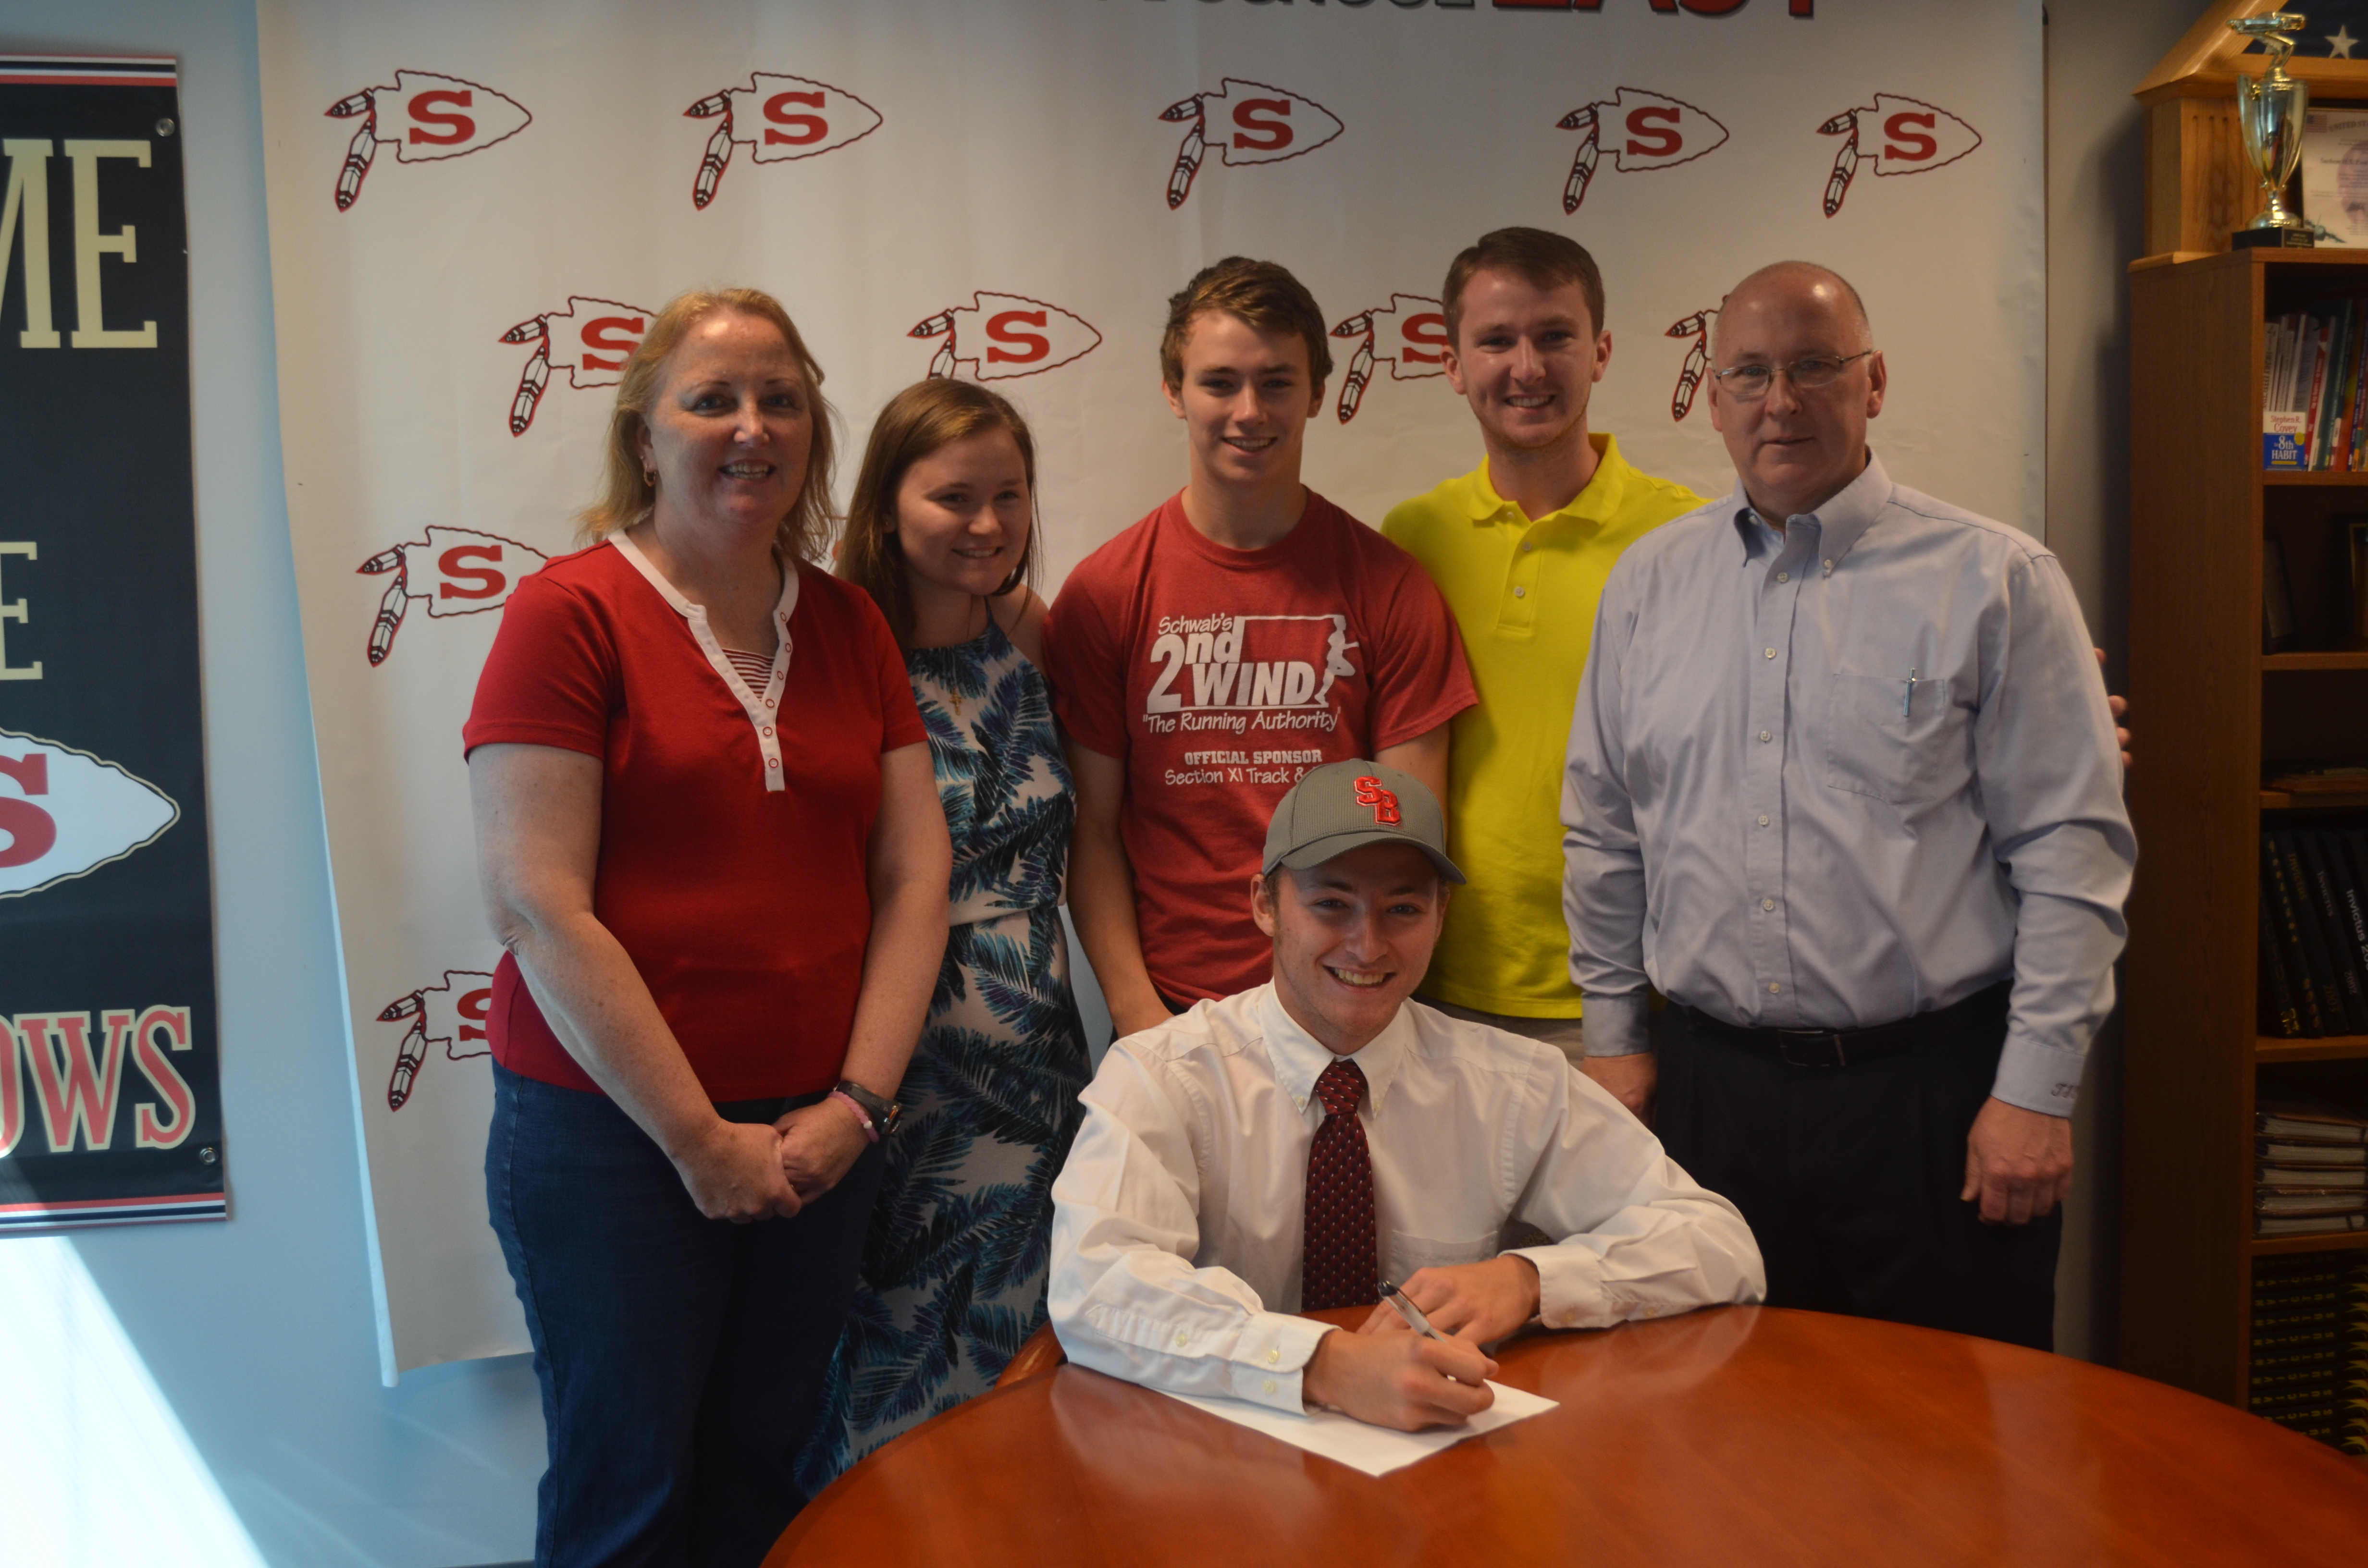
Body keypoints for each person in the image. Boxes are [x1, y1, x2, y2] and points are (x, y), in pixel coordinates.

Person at [1562, 261, 2137, 1350]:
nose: (1780, 401)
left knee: (1952, 1428)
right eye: (1749, 373)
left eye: (1815, 366)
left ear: (1874, 383)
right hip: (1709, 1097)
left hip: (1929, 1102)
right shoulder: (1647, 585)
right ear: (1713, 397)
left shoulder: (1996, 580)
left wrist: (2036, 1093)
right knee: (1719, 1416)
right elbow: (1604, 832)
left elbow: (2071, 855)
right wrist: (1614, 1040)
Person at [464, 288, 951, 1564]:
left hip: (819, 1137)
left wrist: (857, 1107)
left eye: (781, 400)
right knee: (628, 1495)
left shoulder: (848, 623)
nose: (752, 427)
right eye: (712, 399)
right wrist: (698, 1140)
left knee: (763, 1480)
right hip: (613, 1143)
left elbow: (915, 878)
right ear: (643, 435)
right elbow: (534, 902)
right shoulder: (568, 614)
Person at [1048, 761, 1763, 1432]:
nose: (1368, 946)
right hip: (1222, 1455)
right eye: (1332, 904)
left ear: (1442, 915)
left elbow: (1719, 1244)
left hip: (1441, 1455)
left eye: (1402, 909)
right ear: (1265, 904)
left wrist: (1530, 1280)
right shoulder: (1163, 1075)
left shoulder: (1514, 1083)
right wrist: (1323, 1365)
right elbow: (1095, 1286)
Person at [1042, 258, 1476, 1038]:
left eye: (1277, 383)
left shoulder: (1390, 587)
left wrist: (1365, 995)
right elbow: (1094, 830)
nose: (1249, 412)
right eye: (1220, 383)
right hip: (1169, 1011)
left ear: (1316, 393)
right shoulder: (1106, 593)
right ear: (1173, 391)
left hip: (1347, 1003)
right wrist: (1138, 1015)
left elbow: (1407, 842)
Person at [803, 380, 1092, 1486]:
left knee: (1020, 1333)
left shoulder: (1029, 630)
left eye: (1008, 495)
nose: (987, 523)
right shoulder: (836, 643)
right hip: (898, 1062)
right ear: (887, 505)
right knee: (889, 1335)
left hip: (1036, 1061)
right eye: (953, 497)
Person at [1381, 228, 1703, 1086]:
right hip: (1433, 991)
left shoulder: (1688, 539)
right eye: (1497, 340)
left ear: (1601, 352)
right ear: (1452, 364)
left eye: (1555, 335)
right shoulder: (1411, 539)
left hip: (1630, 1004)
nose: (1527, 367)